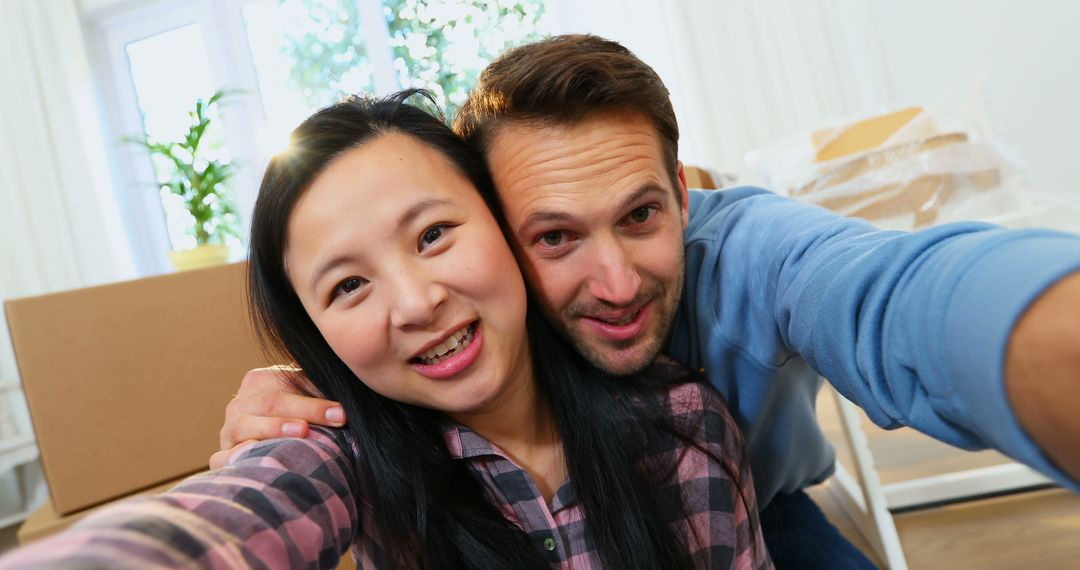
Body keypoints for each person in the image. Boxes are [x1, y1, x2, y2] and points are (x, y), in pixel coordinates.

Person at [217, 34, 1080, 569]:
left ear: (681, 193)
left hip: (763, 507)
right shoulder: (384, 413)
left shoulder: (737, 265)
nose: (619, 285)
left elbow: (888, 299)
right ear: (504, 230)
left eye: (640, 216)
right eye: (556, 237)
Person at [0, 92, 770, 569]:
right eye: (348, 285)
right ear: (316, 335)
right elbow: (216, 528)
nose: (414, 303)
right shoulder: (344, 465)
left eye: (433, 234)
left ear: (502, 222)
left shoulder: (680, 424)